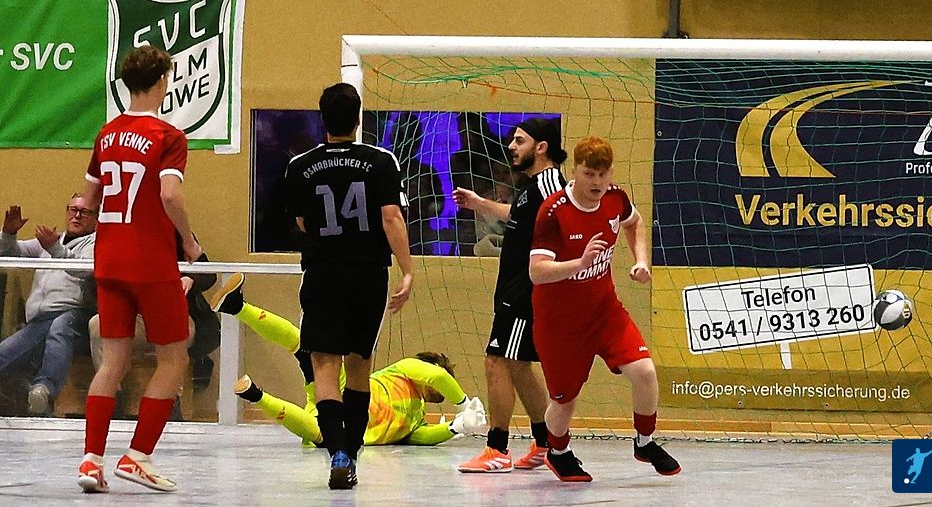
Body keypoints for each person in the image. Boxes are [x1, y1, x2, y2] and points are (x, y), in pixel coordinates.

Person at [77, 44, 202, 494]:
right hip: (150, 261)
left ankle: (91, 461)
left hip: (108, 259)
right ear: (163, 82)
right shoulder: (169, 135)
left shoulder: (106, 133)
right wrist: (188, 240)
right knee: (174, 357)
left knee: (113, 361)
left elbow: (87, 200)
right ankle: (138, 456)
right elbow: (169, 194)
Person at [283, 82, 414, 489]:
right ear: (358, 118)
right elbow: (391, 217)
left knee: (324, 366)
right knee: (359, 365)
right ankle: (352, 455)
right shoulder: (381, 160)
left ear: (322, 118)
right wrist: (407, 270)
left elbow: (302, 222)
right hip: (368, 274)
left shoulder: (299, 166)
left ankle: (337, 453)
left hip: (323, 273)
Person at [528, 136, 680, 482]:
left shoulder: (615, 197)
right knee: (564, 401)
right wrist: (579, 263)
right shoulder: (553, 211)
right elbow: (537, 272)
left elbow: (634, 223)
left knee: (644, 371)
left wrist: (641, 261)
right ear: (574, 172)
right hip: (560, 323)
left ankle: (644, 441)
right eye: (589, 174)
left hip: (604, 311)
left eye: (603, 174)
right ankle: (558, 451)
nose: (597, 182)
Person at [209, 273, 485, 446]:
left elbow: (421, 438)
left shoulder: (418, 417)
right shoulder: (406, 370)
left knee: (320, 433)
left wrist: (456, 427)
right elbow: (437, 376)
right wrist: (463, 402)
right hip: (343, 390)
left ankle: (256, 395)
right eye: (442, 372)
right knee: (303, 344)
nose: (443, 381)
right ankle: (237, 306)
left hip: (351, 430)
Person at [453, 118, 566, 473]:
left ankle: (497, 448)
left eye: (520, 141)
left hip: (525, 290)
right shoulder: (532, 187)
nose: (512, 147)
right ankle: (546, 442)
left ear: (541, 147)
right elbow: (518, 216)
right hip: (514, 288)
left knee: (496, 360)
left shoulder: (550, 184)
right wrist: (479, 204)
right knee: (517, 366)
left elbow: (569, 221)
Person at [87, 233, 220, 417]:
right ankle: (113, 398)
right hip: (135, 316)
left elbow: (209, 273)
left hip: (175, 314)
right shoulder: (119, 234)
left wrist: (190, 278)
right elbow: (95, 280)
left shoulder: (178, 233)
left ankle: (171, 402)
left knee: (174, 330)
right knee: (97, 324)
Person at [0, 196, 97, 415]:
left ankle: (44, 389)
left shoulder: (96, 243)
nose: (77, 215)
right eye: (73, 209)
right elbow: (9, 252)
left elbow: (87, 270)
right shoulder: (51, 241)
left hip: (75, 316)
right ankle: (36, 400)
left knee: (60, 327)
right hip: (39, 321)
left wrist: (55, 248)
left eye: (84, 212)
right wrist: (9, 233)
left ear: (96, 219)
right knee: (4, 354)